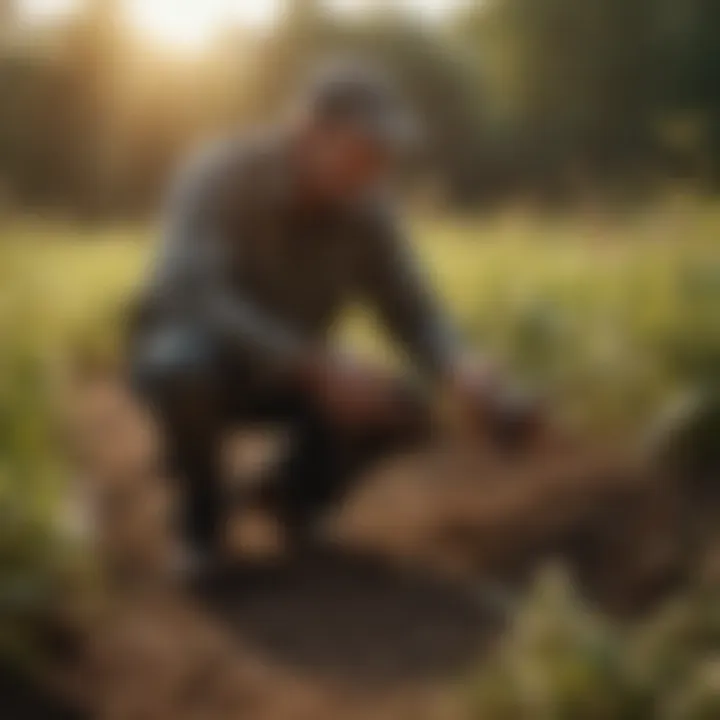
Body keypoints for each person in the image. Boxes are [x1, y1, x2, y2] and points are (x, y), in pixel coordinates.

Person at [129, 62, 538, 578]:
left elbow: (412, 310)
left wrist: (460, 368)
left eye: (384, 155)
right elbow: (192, 293)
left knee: (404, 404)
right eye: (362, 149)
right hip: (205, 361)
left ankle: (291, 496)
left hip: (294, 375)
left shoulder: (368, 210)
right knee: (180, 368)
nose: (376, 167)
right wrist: (314, 365)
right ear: (308, 132)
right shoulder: (219, 172)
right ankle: (202, 517)